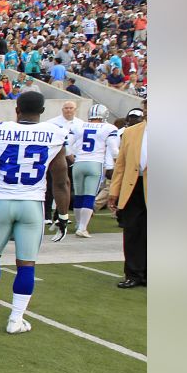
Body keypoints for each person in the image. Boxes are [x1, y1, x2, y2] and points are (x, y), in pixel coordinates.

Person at [0, 90, 71, 334]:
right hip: (32, 205)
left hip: (2, 201)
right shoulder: (55, 133)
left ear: (16, 109)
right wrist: (63, 216)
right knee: (26, 265)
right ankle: (16, 319)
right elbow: (61, 180)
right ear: (42, 112)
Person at [108, 99, 147, 288]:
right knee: (132, 232)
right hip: (133, 186)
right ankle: (133, 273)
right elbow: (121, 165)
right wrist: (114, 191)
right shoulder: (131, 132)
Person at [68, 104, 120, 238]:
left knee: (79, 195)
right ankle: (82, 227)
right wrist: (118, 162)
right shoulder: (109, 128)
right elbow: (114, 150)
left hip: (78, 163)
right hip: (95, 163)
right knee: (89, 196)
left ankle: (78, 224)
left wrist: (74, 158)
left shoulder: (78, 125)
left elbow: (67, 146)